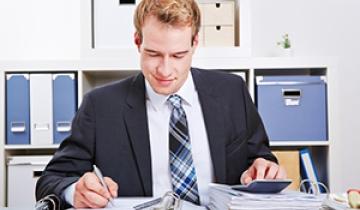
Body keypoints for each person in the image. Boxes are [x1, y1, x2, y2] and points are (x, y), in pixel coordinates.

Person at [36, 0, 286, 209]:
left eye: (178, 55)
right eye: (153, 54)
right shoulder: (100, 106)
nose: (165, 70)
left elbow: (260, 158)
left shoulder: (232, 91)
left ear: (194, 43)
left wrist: (264, 169)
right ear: (137, 42)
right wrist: (74, 191)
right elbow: (51, 179)